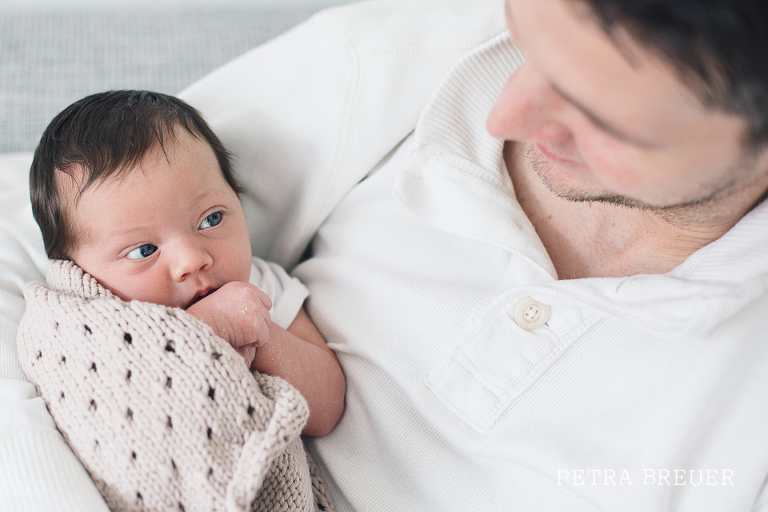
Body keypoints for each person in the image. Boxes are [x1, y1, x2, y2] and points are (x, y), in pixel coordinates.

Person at [1, 0, 767, 510]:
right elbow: (47, 229)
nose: (504, 111)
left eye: (599, 113)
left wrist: (262, 332)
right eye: (526, 43)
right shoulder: (405, 59)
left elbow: (320, 393)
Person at [28, 90, 345, 438]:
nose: (192, 261)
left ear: (237, 197)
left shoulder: (260, 288)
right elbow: (102, 400)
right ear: (78, 268)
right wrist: (204, 328)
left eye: (211, 219)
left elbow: (328, 405)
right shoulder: (87, 320)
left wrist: (259, 333)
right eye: (144, 250)